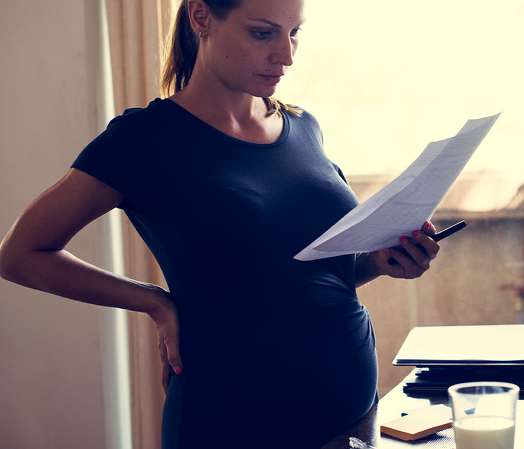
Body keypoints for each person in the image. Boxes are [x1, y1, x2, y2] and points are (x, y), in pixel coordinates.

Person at [0, 0, 441, 447]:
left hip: (352, 418)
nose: (286, 56)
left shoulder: (304, 127)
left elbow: (315, 273)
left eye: (294, 34)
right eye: (263, 33)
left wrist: (380, 261)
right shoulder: (143, 140)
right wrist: (153, 301)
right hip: (230, 421)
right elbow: (19, 254)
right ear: (201, 16)